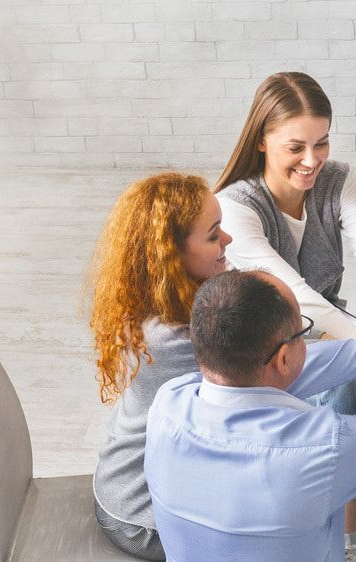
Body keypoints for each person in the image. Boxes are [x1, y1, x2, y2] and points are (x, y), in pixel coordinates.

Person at [215, 71, 356, 558]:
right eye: (295, 147)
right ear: (262, 141)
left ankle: (353, 528)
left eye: (321, 143)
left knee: (349, 388)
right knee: (350, 386)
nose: (312, 161)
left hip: (325, 338)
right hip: (263, 355)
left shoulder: (339, 182)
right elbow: (301, 302)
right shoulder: (235, 207)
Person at [144, 270, 356, 561]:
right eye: (303, 333)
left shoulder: (168, 404)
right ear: (284, 357)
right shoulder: (325, 447)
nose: (309, 343)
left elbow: (300, 366)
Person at [89, 172, 232, 559]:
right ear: (173, 252)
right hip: (142, 517)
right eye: (214, 234)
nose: (228, 240)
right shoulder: (172, 338)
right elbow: (278, 373)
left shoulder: (176, 300)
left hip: (152, 488)